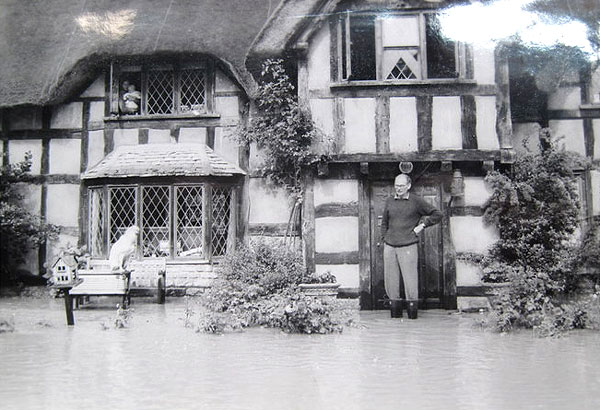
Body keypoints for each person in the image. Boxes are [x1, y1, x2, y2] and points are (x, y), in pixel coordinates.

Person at [381, 173, 442, 319]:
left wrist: (422, 226)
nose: (398, 188)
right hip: (390, 246)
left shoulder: (416, 201)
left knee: (410, 282)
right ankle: (395, 318)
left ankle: (412, 318)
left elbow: (437, 214)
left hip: (408, 245)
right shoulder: (389, 201)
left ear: (408, 186)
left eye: (401, 186)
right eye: (396, 185)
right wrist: (384, 238)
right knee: (391, 283)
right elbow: (384, 222)